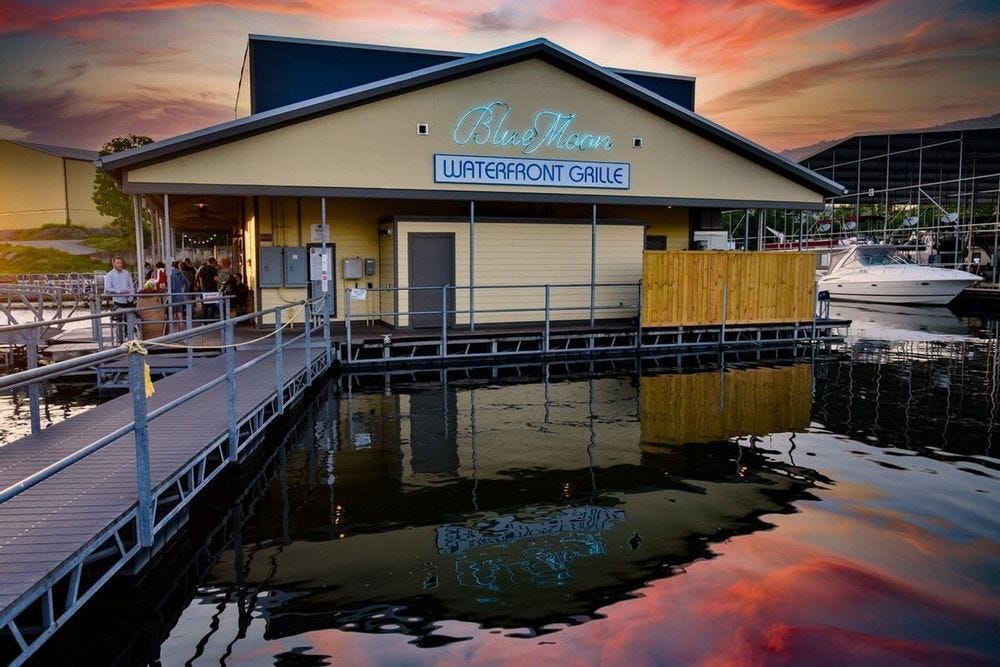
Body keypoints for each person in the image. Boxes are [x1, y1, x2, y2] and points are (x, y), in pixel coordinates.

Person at [103, 255, 134, 344]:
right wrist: (120, 291)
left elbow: (131, 286)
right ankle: (121, 341)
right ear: (113, 264)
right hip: (119, 301)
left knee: (130, 320)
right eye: (118, 263)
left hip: (129, 300)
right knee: (120, 322)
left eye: (120, 263)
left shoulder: (126, 273)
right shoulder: (109, 275)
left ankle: (130, 340)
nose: (120, 264)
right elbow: (107, 289)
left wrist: (130, 294)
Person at [168, 261, 190, 330]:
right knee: (180, 316)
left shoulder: (171, 274)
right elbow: (187, 283)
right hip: (180, 296)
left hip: (173, 298)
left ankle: (169, 334)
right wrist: (185, 292)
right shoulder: (180, 273)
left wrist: (167, 290)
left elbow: (173, 287)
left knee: (170, 316)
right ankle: (181, 333)